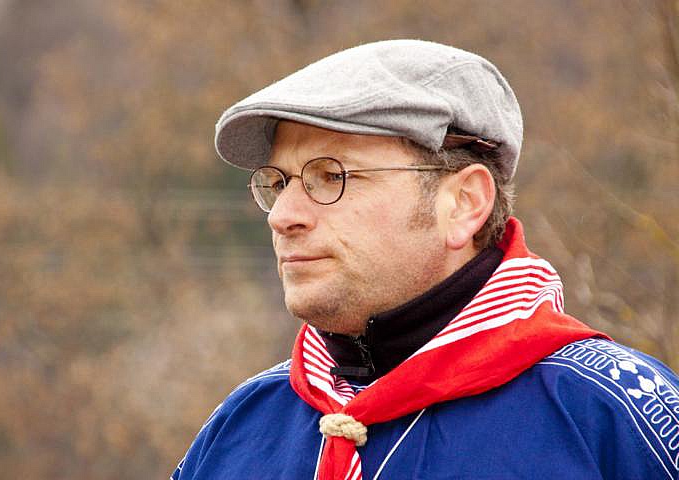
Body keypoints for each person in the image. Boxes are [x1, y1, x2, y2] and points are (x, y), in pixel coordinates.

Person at [171, 40, 679, 480]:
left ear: (464, 204)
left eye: (331, 176)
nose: (283, 215)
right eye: (278, 182)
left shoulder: (615, 415)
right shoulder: (241, 425)